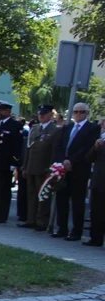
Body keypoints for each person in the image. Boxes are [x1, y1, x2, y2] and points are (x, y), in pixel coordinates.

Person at [53, 102, 101, 240]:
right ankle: (61, 228)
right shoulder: (67, 128)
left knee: (77, 202)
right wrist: (63, 160)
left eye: (82, 112)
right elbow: (59, 146)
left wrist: (71, 161)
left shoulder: (93, 128)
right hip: (63, 169)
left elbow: (87, 148)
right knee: (61, 199)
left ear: (87, 113)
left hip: (79, 169)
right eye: (76, 112)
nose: (78, 114)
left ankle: (76, 231)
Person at [19, 104, 61, 231]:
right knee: (31, 194)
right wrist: (25, 166)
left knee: (43, 195)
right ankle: (31, 219)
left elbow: (54, 151)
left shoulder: (55, 130)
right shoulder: (35, 128)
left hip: (44, 168)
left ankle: (42, 221)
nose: (41, 116)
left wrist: (50, 169)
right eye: (40, 113)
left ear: (50, 115)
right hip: (31, 166)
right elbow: (28, 149)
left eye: (44, 113)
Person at [84, 128, 105, 246]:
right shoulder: (101, 140)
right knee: (96, 212)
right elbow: (88, 158)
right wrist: (95, 147)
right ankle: (95, 238)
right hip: (98, 182)